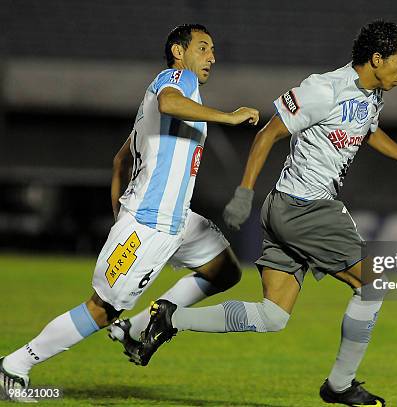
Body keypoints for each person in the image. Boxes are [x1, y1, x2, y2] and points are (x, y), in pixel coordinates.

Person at [137, 20, 397, 407]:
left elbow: (368, 130)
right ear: (377, 59)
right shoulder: (323, 89)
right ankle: (340, 385)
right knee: (373, 283)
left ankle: (170, 317)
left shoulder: (371, 95)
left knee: (273, 316)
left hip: (283, 208)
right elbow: (268, 133)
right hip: (305, 207)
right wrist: (243, 193)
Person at [0, 23, 259, 402]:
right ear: (178, 51)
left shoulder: (154, 105)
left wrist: (119, 215)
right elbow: (170, 103)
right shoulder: (176, 80)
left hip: (176, 220)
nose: (211, 57)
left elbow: (120, 160)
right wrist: (229, 116)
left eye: (213, 50)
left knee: (225, 270)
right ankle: (16, 365)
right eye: (203, 48)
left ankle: (137, 328)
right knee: (102, 309)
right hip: (151, 222)